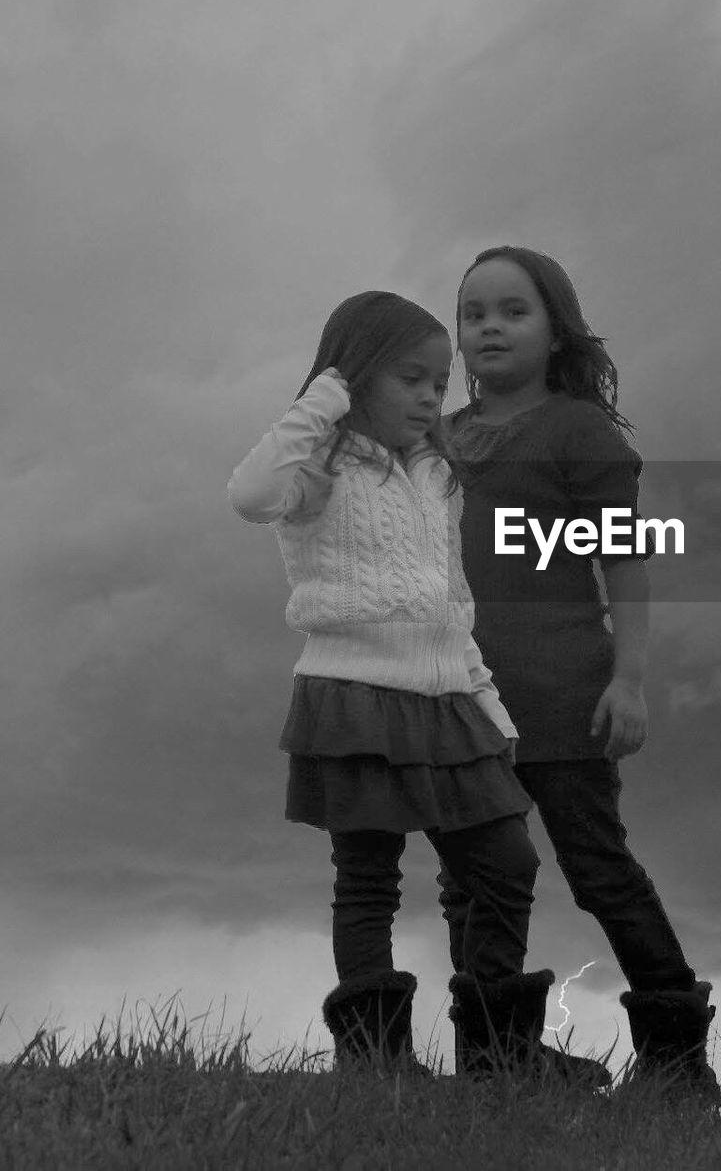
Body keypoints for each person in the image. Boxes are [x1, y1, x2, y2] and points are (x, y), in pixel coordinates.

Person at [227, 290, 607, 1084]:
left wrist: (489, 703)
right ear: (356, 375)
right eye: (410, 377)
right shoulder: (315, 468)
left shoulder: (441, 475)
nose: (432, 395)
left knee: (506, 860)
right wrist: (321, 399)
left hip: (449, 700)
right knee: (369, 879)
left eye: (440, 382)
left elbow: (452, 602)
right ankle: (376, 1063)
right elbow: (249, 496)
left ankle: (497, 1051)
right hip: (352, 695)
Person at [437, 247, 720, 1102]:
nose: (489, 325)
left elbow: (626, 563)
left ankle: (678, 1066)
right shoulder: (439, 439)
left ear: (555, 330)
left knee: (597, 867)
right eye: (473, 311)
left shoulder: (578, 433)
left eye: (512, 310)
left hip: (564, 693)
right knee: (473, 877)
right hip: (462, 699)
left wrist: (628, 680)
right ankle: (494, 1059)